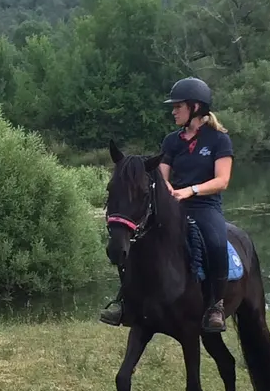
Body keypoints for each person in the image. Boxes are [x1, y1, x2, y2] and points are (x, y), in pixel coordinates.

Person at [99, 77, 236, 332]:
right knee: (137, 239)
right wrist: (168, 189)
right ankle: (126, 302)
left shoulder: (218, 140)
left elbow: (222, 180)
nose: (173, 111)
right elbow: (162, 176)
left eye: (178, 106)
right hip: (173, 206)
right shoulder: (172, 140)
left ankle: (216, 305)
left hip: (205, 207)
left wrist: (189, 191)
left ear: (195, 107)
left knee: (216, 242)